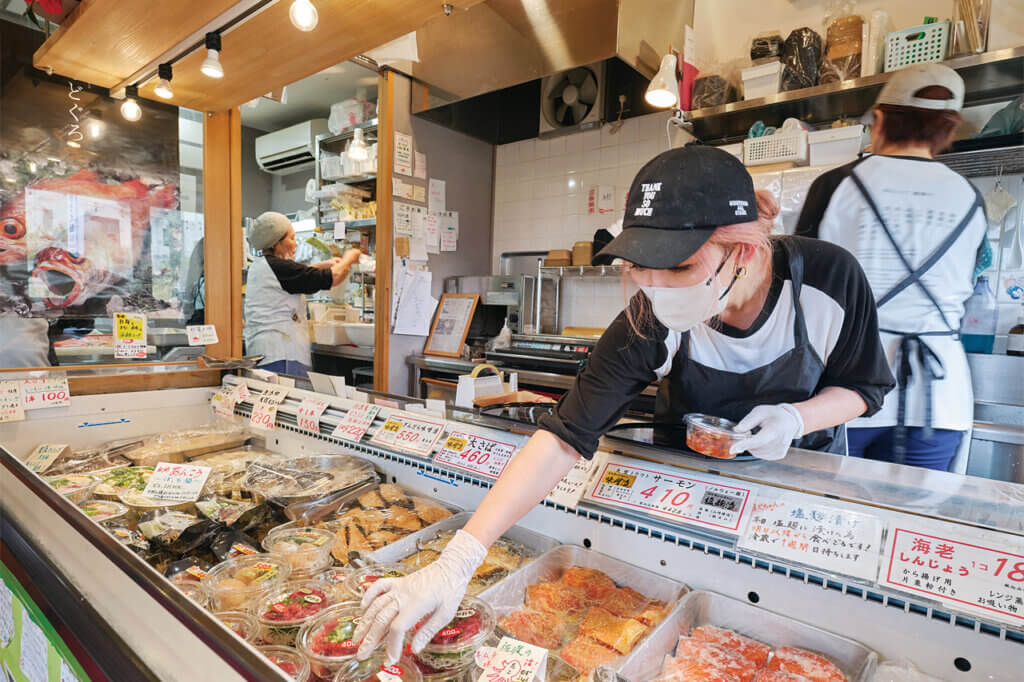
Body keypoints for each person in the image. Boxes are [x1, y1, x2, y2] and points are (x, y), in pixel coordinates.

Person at [352, 145, 895, 662]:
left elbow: (865, 388)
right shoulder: (652, 312)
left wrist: (796, 418)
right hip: (691, 500)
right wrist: (459, 559)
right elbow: (564, 434)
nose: (655, 286)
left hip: (797, 497)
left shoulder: (829, 278)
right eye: (640, 264)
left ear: (744, 251)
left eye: (678, 267)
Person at [795, 64, 987, 472]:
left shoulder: (837, 186)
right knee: (911, 524)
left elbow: (797, 287)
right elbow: (972, 276)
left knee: (834, 523)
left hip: (843, 390)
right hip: (939, 397)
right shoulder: (970, 197)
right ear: (948, 129)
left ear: (879, 120)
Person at [243, 212, 359, 377]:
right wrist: (349, 258)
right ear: (277, 242)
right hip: (282, 354)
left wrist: (324, 264)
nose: (295, 244)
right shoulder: (279, 268)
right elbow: (333, 278)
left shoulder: (262, 265)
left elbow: (299, 274)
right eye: (291, 238)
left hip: (268, 352)